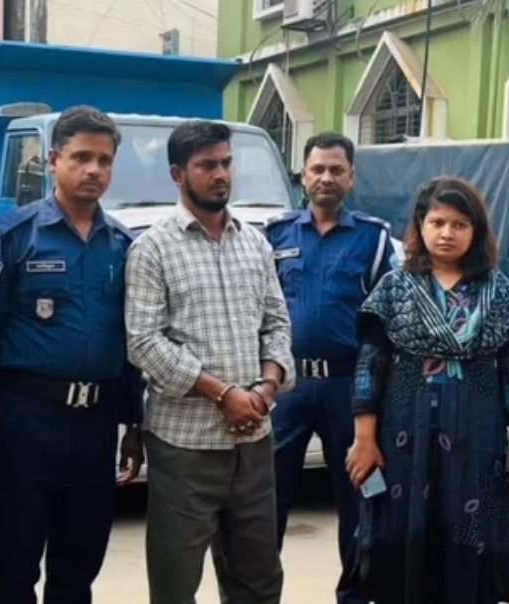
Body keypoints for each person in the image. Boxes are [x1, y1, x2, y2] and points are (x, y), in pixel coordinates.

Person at [0, 105, 145, 604]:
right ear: (54, 159)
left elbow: (129, 343)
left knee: (79, 565)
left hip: (96, 425)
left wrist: (134, 424)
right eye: (81, 157)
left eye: (104, 160)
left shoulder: (123, 246)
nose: (93, 170)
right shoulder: (12, 237)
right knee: (11, 567)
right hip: (25, 422)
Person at [342, 176, 509, 604]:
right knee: (402, 533)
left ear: (476, 231)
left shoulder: (497, 293)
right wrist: (364, 439)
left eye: (460, 224)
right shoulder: (394, 289)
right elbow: (370, 366)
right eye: (438, 222)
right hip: (404, 433)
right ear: (420, 225)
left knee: (472, 536)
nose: (447, 233)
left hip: (477, 434)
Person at [124, 119, 295, 604]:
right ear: (178, 175)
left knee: (259, 581)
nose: (220, 175)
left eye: (225, 163)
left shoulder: (255, 243)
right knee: (176, 584)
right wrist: (223, 394)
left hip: (254, 443)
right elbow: (143, 342)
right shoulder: (153, 248)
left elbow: (277, 324)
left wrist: (265, 389)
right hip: (185, 447)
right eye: (206, 166)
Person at [263, 131, 393, 604]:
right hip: (287, 386)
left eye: (337, 170)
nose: (326, 178)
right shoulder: (276, 235)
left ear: (351, 176)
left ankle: (355, 596)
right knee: (266, 501)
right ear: (303, 175)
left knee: (360, 499)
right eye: (317, 169)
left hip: (349, 387)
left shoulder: (374, 239)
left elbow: (384, 323)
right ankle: (259, 594)